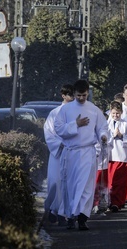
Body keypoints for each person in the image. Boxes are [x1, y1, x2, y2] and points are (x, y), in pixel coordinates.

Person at [54, 79, 108, 230]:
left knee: (85, 186)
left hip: (87, 152)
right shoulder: (65, 110)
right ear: (74, 94)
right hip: (71, 152)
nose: (82, 98)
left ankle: (83, 218)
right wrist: (75, 125)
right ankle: (71, 216)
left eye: (84, 95)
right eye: (79, 95)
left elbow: (102, 127)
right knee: (71, 185)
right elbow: (58, 129)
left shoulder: (94, 110)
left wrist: (103, 136)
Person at [43, 84, 74, 225]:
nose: (73, 97)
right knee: (56, 181)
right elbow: (48, 132)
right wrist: (59, 144)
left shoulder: (77, 112)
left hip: (73, 152)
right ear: (64, 95)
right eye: (70, 94)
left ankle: (65, 212)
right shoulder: (54, 113)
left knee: (70, 182)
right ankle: (53, 209)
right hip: (58, 152)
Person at [106, 101, 127, 212]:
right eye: (113, 113)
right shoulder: (107, 124)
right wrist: (112, 135)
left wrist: (122, 136)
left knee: (120, 182)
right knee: (110, 181)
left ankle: (118, 202)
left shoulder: (125, 124)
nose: (115, 116)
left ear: (121, 112)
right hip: (111, 156)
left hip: (122, 156)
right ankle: (109, 201)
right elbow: (104, 137)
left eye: (117, 113)